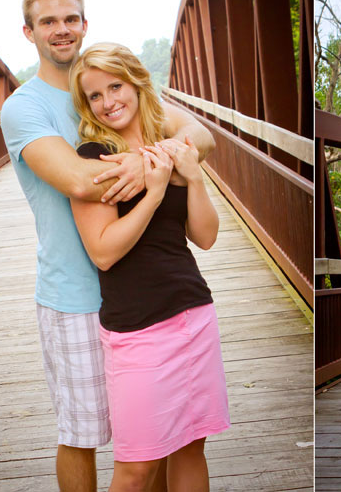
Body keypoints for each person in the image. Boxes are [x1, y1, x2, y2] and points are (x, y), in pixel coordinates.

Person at [0, 0, 214, 492]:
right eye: (48, 21)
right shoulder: (23, 107)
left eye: (70, 18)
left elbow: (202, 137)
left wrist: (168, 159)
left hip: (148, 294)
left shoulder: (108, 82)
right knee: (82, 431)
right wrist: (159, 163)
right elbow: (80, 179)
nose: (61, 29)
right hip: (75, 293)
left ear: (84, 23)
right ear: (28, 32)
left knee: (159, 434)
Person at [68, 42, 229, 492]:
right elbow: (103, 251)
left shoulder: (168, 141)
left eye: (115, 86)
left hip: (194, 315)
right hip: (137, 329)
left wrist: (192, 174)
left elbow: (206, 236)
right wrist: (154, 192)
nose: (108, 102)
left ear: (137, 83)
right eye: (95, 96)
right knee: (137, 467)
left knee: (192, 448)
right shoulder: (94, 156)